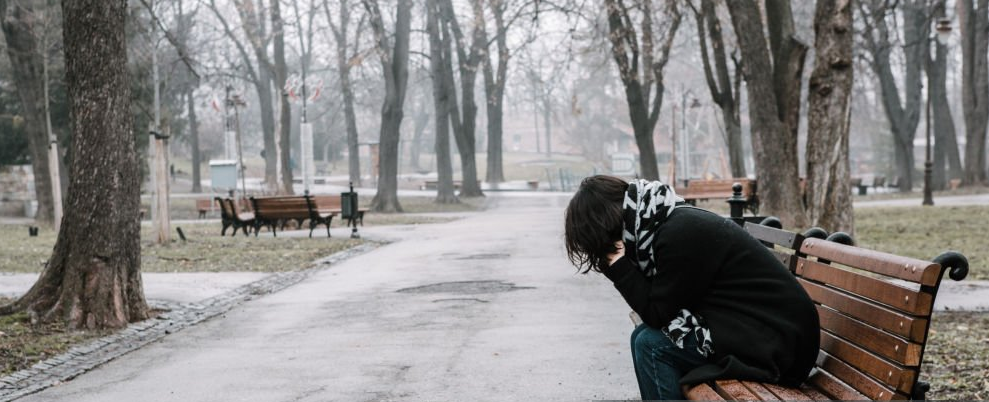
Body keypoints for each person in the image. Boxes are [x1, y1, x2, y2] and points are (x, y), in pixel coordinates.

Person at [564, 175, 819, 400]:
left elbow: (656, 314)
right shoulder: (662, 221)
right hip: (753, 328)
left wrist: (618, 265)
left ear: (609, 225)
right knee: (641, 337)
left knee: (651, 345)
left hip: (778, 344)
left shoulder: (677, 234)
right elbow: (659, 309)